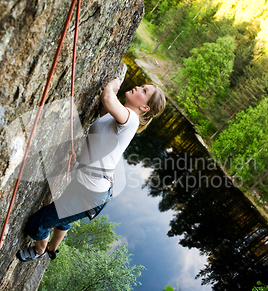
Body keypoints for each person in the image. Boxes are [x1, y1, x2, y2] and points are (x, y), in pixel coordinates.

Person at [17, 77, 166, 262]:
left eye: (144, 91)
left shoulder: (131, 120)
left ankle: (39, 251)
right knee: (64, 214)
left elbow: (108, 98)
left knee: (36, 224)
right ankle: (52, 248)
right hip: (87, 182)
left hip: (90, 192)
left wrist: (114, 83)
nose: (138, 87)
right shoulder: (118, 115)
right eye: (142, 86)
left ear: (145, 108)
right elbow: (103, 124)